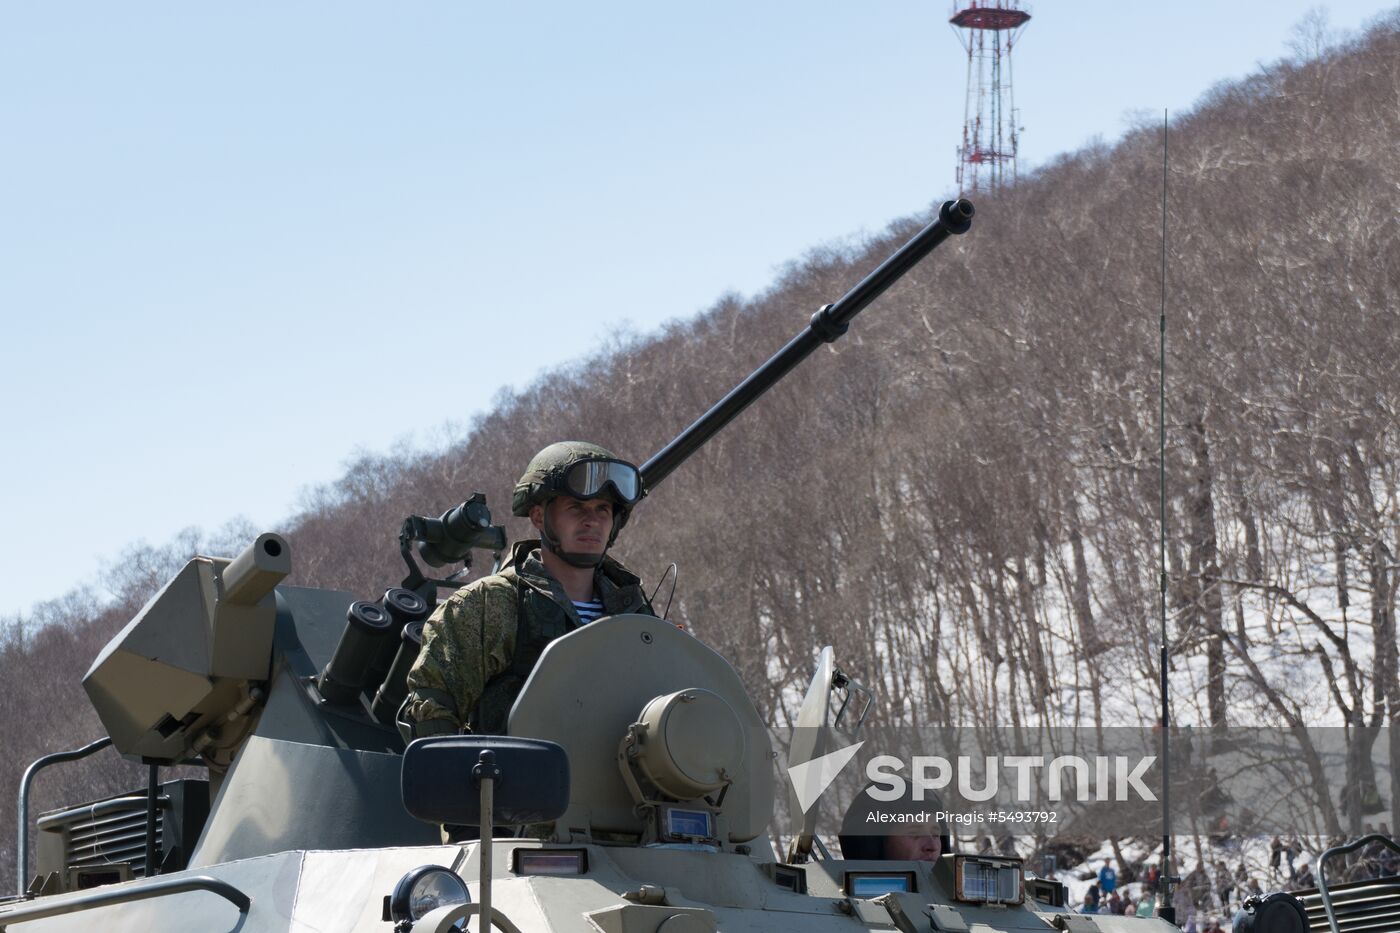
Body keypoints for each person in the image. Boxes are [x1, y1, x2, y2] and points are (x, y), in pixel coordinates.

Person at [404, 442, 654, 738]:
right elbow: (433, 715)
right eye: (576, 507)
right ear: (538, 517)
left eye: (603, 509)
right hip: (515, 780)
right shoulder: (488, 605)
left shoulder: (635, 612)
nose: (592, 521)